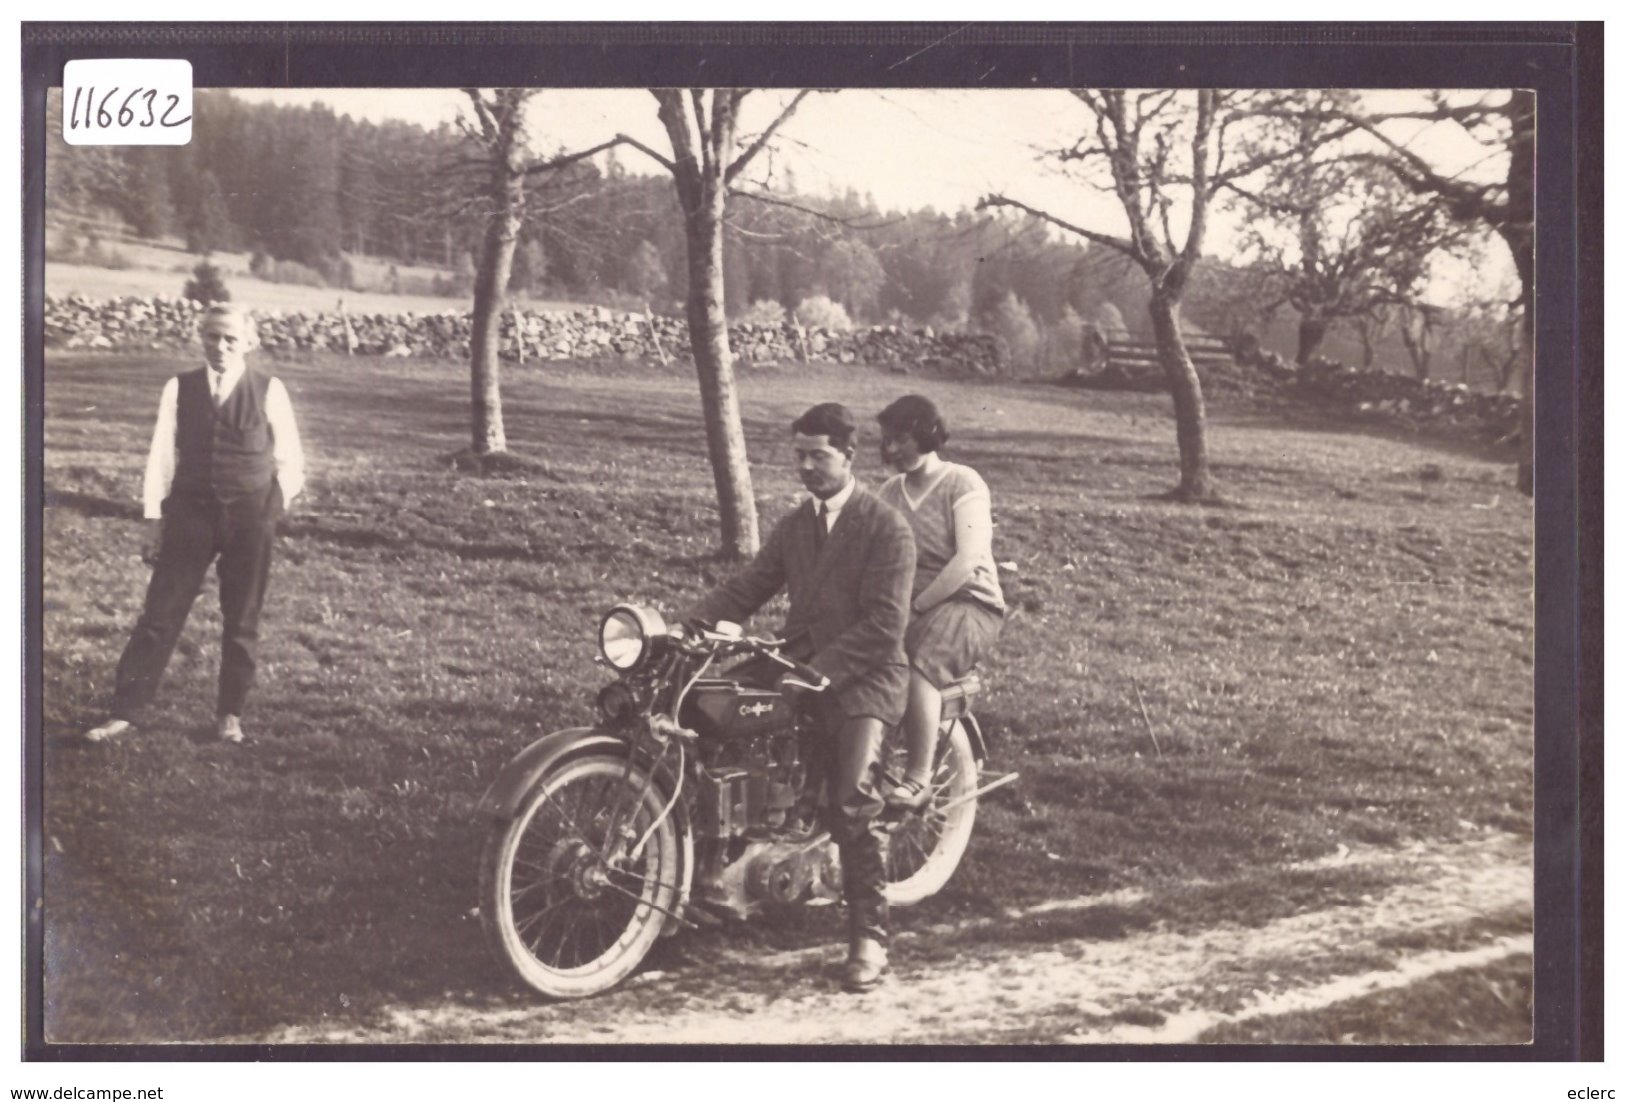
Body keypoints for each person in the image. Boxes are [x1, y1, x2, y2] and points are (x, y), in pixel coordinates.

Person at [685, 402, 915, 993]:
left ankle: (870, 937)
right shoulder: (796, 525)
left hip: (866, 676)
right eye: (800, 456)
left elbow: (885, 626)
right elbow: (750, 586)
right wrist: (692, 624)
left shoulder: (885, 526)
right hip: (797, 663)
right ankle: (710, 868)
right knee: (706, 713)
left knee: (853, 801)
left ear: (849, 456)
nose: (807, 467)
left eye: (820, 456)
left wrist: (823, 672)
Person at [84, 304, 305, 745]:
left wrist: (269, 509)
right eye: (211, 337)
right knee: (159, 614)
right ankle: (125, 711)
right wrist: (154, 519)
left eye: (230, 338)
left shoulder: (268, 388)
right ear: (200, 337)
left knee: (241, 617)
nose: (220, 346)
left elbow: (291, 460)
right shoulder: (179, 387)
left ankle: (230, 714)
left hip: (249, 515)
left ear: (249, 342)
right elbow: (161, 457)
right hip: (191, 513)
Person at [875, 395, 1005, 811]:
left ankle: (918, 778)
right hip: (909, 604)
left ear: (927, 435)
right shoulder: (889, 491)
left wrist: (916, 606)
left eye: (901, 440)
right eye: (887, 441)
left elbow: (967, 560)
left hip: (968, 603)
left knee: (920, 662)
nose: (892, 450)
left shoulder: (962, 482)